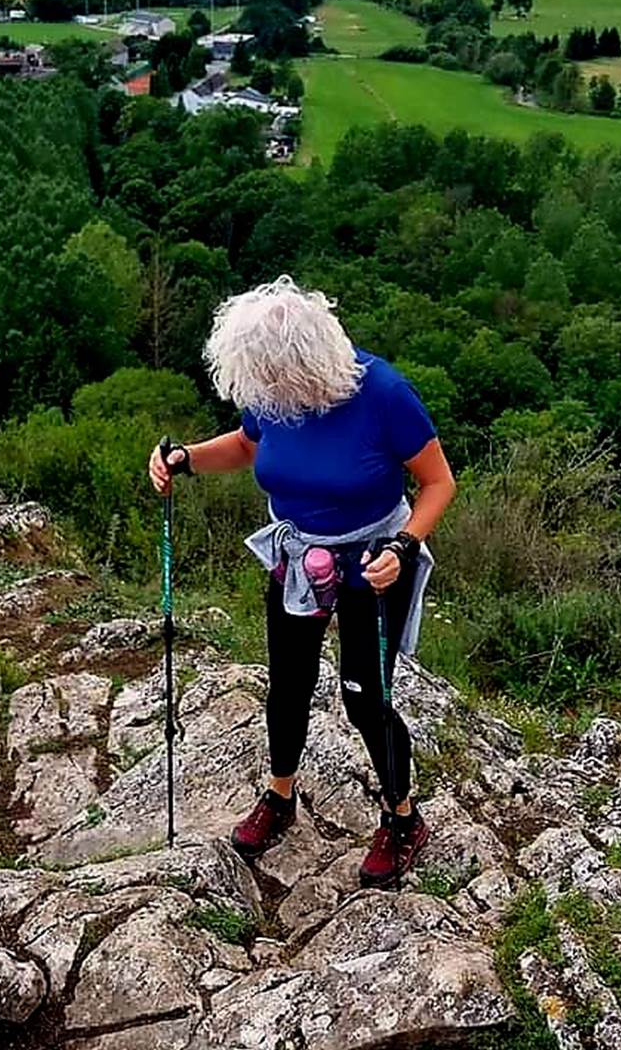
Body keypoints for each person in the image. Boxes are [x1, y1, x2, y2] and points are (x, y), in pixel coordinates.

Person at [147, 276, 456, 888]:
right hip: (299, 559)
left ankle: (403, 820)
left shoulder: (385, 394)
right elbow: (244, 445)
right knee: (288, 683)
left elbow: (439, 483)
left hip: (375, 559)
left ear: (309, 358)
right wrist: (184, 458)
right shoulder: (273, 391)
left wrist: (405, 544)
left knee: (367, 697)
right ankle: (280, 796)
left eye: (274, 377)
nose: (266, 390)